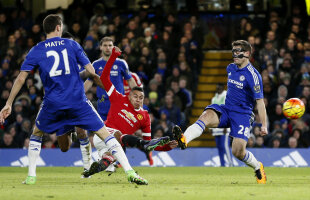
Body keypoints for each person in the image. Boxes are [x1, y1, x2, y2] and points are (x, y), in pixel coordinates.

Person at [0, 14, 147, 185]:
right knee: (106, 135)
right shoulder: (71, 44)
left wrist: (8, 103)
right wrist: (110, 90)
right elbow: (92, 73)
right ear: (58, 28)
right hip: (77, 101)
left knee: (37, 134)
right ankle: (130, 172)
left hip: (52, 102)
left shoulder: (37, 49)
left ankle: (31, 176)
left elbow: (20, 78)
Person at [173, 40, 268, 184]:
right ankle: (184, 139)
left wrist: (264, 125)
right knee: (205, 116)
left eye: (238, 51)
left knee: (238, 152)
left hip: (243, 115)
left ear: (247, 53)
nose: (234, 54)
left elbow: (260, 102)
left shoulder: (253, 76)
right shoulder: (230, 68)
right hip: (227, 109)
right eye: (233, 51)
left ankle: (257, 167)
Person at [82, 47, 178, 177]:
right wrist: (113, 57)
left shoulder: (144, 117)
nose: (138, 100)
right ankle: (112, 161)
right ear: (129, 96)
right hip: (103, 136)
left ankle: (95, 169)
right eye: (135, 96)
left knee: (109, 159)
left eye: (141, 98)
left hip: (117, 144)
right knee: (119, 136)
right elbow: (104, 77)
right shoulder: (118, 98)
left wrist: (166, 147)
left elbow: (148, 144)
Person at [84, 36, 137, 121]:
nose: (107, 48)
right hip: (103, 103)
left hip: (118, 103)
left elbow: (130, 80)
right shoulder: (96, 64)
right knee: (104, 131)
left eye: (110, 45)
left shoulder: (121, 63)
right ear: (100, 47)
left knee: (119, 131)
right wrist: (79, 94)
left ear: (113, 47)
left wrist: (137, 95)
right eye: (105, 45)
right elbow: (89, 81)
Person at [210, 83, 233, 167]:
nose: (218, 88)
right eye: (217, 87)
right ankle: (222, 164)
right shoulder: (214, 98)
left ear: (223, 88)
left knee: (225, 147)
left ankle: (231, 164)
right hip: (216, 127)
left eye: (219, 87)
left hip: (224, 127)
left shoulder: (226, 96)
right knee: (219, 147)